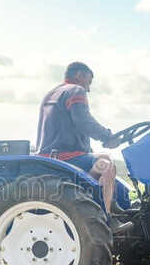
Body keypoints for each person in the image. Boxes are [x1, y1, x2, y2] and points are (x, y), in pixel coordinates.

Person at [36, 61, 120, 212]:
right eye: (89, 82)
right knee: (107, 165)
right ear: (79, 75)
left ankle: (96, 200)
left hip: (50, 155)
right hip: (66, 156)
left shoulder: (53, 92)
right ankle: (107, 216)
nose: (89, 88)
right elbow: (84, 122)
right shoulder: (76, 90)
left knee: (103, 159)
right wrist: (107, 137)